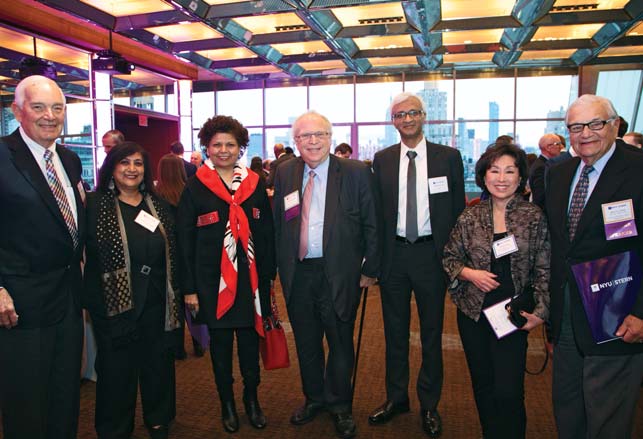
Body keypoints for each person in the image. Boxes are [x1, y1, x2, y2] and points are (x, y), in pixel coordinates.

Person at [273, 111, 379, 439]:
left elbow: (372, 223)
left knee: (340, 342)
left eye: (320, 135)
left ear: (330, 138)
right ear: (296, 142)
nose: (313, 141)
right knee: (306, 342)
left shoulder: (356, 172)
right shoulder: (284, 172)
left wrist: (370, 268)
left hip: (340, 273)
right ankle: (314, 398)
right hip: (299, 273)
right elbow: (280, 222)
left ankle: (339, 405)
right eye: (305, 136)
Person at [545, 94, 643, 439]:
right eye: (575, 126)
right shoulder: (559, 175)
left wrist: (642, 313)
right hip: (568, 313)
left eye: (595, 124)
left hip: (618, 313)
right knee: (567, 404)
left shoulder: (637, 169)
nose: (585, 133)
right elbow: (558, 247)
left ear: (615, 125)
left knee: (608, 413)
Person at [369, 92, 464, 438]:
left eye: (412, 113)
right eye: (399, 115)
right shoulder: (382, 159)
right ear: (392, 121)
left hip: (431, 256)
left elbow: (456, 213)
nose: (406, 119)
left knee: (431, 333)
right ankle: (397, 399)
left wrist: (455, 260)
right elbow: (376, 215)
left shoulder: (448, 158)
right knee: (394, 333)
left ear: (424, 116)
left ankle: (429, 404)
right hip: (394, 256)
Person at [442, 143, 550, 438]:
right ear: (484, 176)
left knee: (509, 390)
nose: (501, 178)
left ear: (520, 177)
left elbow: (544, 267)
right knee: (484, 385)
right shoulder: (470, 216)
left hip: (514, 314)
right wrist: (469, 273)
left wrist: (540, 312)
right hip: (474, 312)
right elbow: (449, 258)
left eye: (509, 171)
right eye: (494, 170)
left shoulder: (533, 217)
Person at [177, 115, 275, 434]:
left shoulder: (255, 183)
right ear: (206, 146)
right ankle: (227, 403)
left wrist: (269, 279)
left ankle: (251, 399)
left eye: (230, 144)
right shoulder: (194, 186)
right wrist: (189, 289)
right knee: (220, 350)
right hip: (211, 284)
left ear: (240, 148)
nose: (223, 150)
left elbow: (266, 233)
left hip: (249, 281)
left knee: (249, 347)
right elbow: (184, 241)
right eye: (216, 144)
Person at [0, 74, 85, 439]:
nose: (50, 116)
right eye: (38, 107)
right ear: (17, 111)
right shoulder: (2, 156)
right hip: (20, 304)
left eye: (57, 107)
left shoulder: (68, 159)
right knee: (27, 404)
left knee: (65, 396)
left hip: (68, 299)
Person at [84, 142, 180, 439]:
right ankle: (114, 429)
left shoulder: (158, 205)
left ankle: (158, 419)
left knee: (158, 366)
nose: (132, 169)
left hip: (157, 301)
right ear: (112, 167)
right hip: (114, 305)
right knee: (116, 372)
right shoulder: (95, 206)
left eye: (138, 163)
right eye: (124, 162)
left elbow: (174, 250)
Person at [156, 154, 206, 359]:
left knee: (172, 302)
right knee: (192, 299)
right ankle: (199, 342)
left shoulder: (155, 197)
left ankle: (177, 348)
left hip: (165, 257)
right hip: (189, 254)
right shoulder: (189, 192)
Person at [529, 133, 563, 209]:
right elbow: (541, 197)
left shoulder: (542, 164)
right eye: (558, 144)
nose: (561, 147)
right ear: (548, 147)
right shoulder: (541, 167)